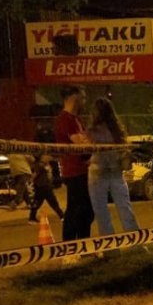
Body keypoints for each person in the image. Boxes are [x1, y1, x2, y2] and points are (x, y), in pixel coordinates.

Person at [86, 98, 139, 236]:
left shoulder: (92, 131)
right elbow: (123, 152)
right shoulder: (116, 130)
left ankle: (111, 248)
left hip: (98, 172)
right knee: (125, 208)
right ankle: (135, 241)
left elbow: (87, 151)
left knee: (102, 212)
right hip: (115, 171)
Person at [55, 86, 93, 241]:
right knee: (75, 210)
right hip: (74, 171)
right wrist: (88, 141)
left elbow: (87, 140)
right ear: (72, 98)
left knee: (88, 211)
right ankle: (69, 246)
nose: (84, 101)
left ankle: (84, 244)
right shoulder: (65, 119)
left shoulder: (77, 120)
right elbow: (81, 143)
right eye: (82, 98)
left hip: (84, 170)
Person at [26, 154, 63, 225]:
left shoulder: (43, 164)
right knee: (53, 202)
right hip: (43, 186)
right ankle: (62, 216)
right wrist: (31, 181)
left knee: (38, 202)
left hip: (42, 186)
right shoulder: (40, 165)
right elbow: (35, 174)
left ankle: (32, 217)